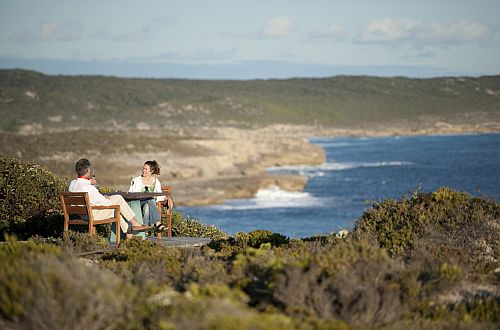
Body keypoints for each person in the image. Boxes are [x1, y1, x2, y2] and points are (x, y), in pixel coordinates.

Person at [69, 158, 151, 240]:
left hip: (80, 214)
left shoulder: (72, 184)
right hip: (92, 215)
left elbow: (84, 188)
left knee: (118, 207)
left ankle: (129, 234)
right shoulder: (89, 188)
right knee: (118, 201)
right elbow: (105, 203)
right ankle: (134, 223)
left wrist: (90, 183)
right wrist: (106, 198)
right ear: (87, 171)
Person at [129, 160, 172, 232]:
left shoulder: (156, 181)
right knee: (151, 199)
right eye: (143, 168)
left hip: (149, 204)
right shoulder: (136, 180)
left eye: (146, 169)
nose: (143, 171)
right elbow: (131, 193)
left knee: (147, 206)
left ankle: (144, 230)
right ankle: (158, 223)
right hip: (138, 202)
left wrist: (168, 198)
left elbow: (159, 195)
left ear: (151, 171)